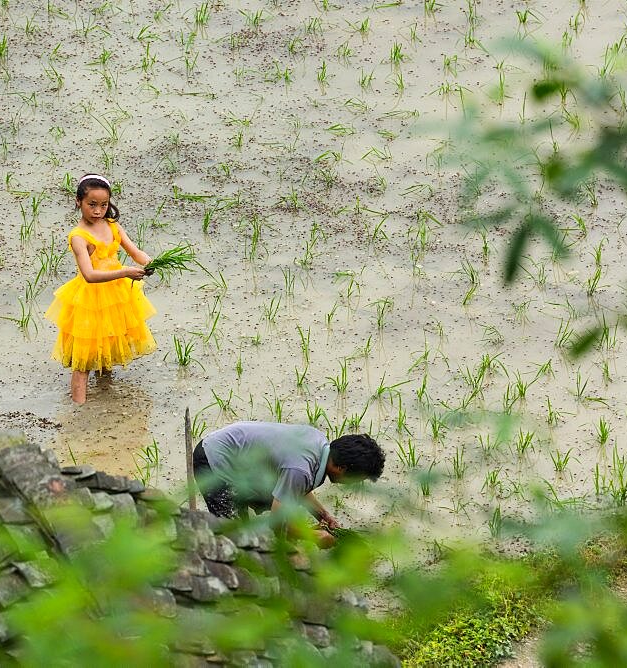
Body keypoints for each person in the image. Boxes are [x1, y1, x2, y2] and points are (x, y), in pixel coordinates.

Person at [44, 174, 156, 404]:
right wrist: (126, 272)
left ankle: (104, 395)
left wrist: (152, 263)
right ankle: (80, 409)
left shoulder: (112, 225)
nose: (98, 211)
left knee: (109, 345)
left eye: (103, 205)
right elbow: (90, 275)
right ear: (78, 202)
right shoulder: (78, 237)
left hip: (116, 295)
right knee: (83, 361)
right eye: (91, 205)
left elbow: (136, 253)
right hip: (89, 298)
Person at [192, 421, 385, 548]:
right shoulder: (301, 468)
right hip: (214, 461)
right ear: (342, 468)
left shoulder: (318, 443)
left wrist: (323, 515)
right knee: (235, 537)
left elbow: (297, 487)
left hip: (242, 460)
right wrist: (313, 536)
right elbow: (278, 522)